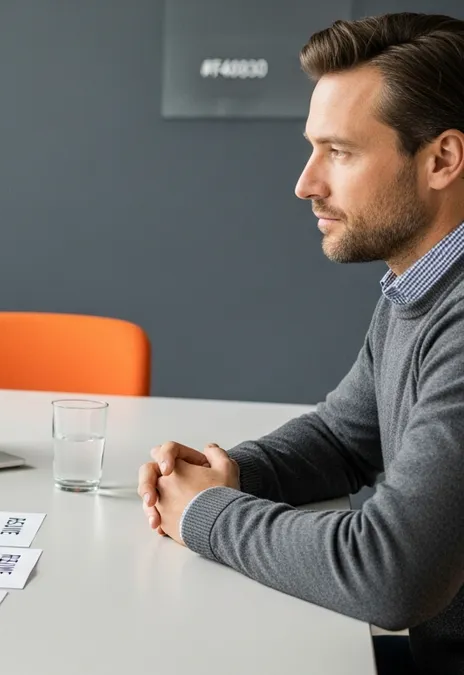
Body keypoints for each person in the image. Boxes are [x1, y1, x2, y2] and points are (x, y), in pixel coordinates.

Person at [136, 12, 464, 674]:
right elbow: (345, 438)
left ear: (442, 159)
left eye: (339, 151)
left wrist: (203, 512)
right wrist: (232, 471)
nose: (306, 182)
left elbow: (390, 572)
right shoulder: (416, 287)